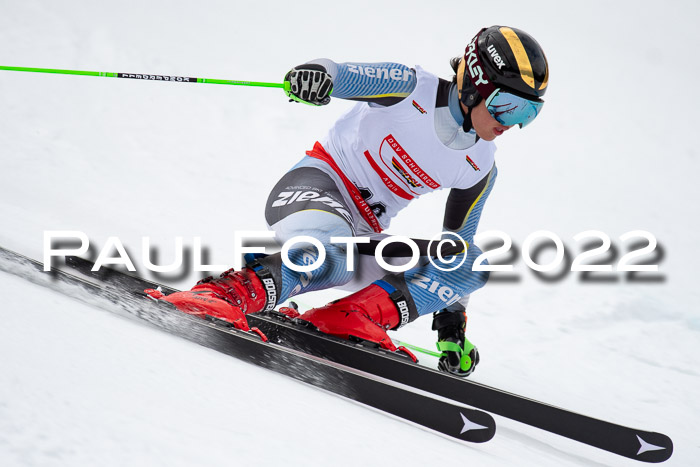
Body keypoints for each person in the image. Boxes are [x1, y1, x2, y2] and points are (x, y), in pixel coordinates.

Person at [150, 25, 549, 377]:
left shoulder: (480, 163)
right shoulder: (410, 88)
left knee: (471, 262)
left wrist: (452, 326)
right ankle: (221, 296)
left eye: (528, 113)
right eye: (507, 105)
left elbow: (455, 249)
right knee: (332, 252)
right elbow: (338, 72)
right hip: (316, 189)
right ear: (474, 83)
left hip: (363, 233)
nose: (511, 123)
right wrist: (315, 75)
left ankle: (349, 317)